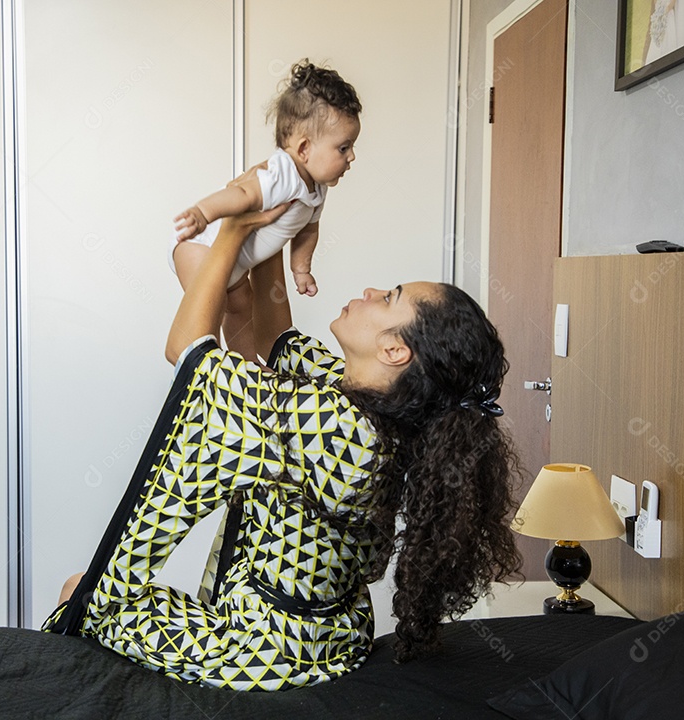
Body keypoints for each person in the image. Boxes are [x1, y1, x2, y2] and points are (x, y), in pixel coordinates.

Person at [44, 192, 521, 691]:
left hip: (271, 651)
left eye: (388, 298)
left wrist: (233, 232)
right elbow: (275, 341)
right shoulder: (378, 406)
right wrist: (279, 224)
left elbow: (186, 352)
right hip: (328, 634)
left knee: (79, 592)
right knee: (240, 312)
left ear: (394, 349)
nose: (370, 290)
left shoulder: (342, 429)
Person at [169, 60, 361, 361]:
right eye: (343, 148)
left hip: (234, 260)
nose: (352, 157)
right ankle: (212, 370)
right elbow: (242, 193)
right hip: (201, 245)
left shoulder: (318, 188)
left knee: (241, 304)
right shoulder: (282, 173)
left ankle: (247, 365)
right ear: (303, 149)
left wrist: (302, 269)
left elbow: (308, 230)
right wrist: (203, 212)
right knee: (210, 311)